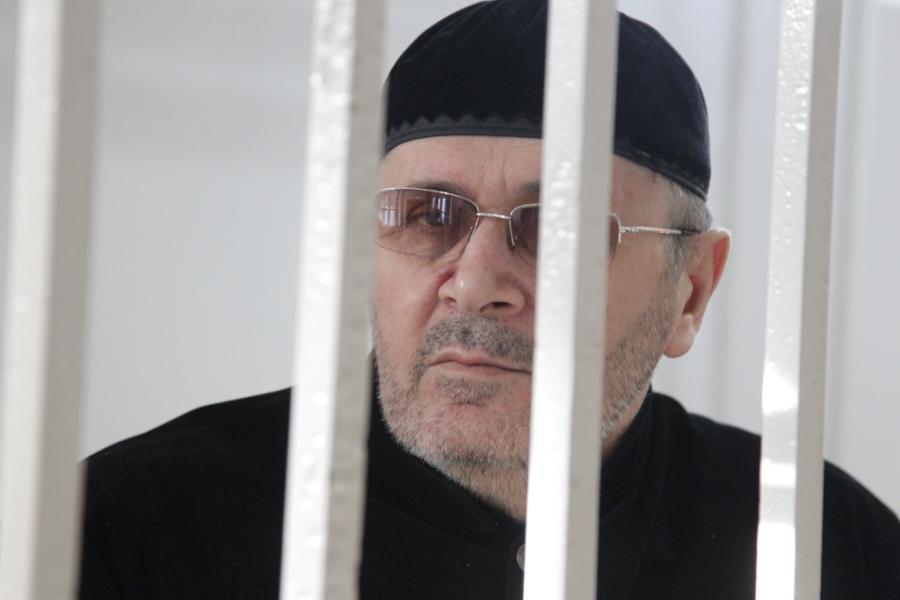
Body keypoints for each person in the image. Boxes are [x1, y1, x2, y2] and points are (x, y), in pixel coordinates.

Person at [78, 1, 900, 598]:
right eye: (428, 217)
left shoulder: (826, 547)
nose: (474, 284)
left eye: (564, 229)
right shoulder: (137, 532)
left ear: (691, 290)